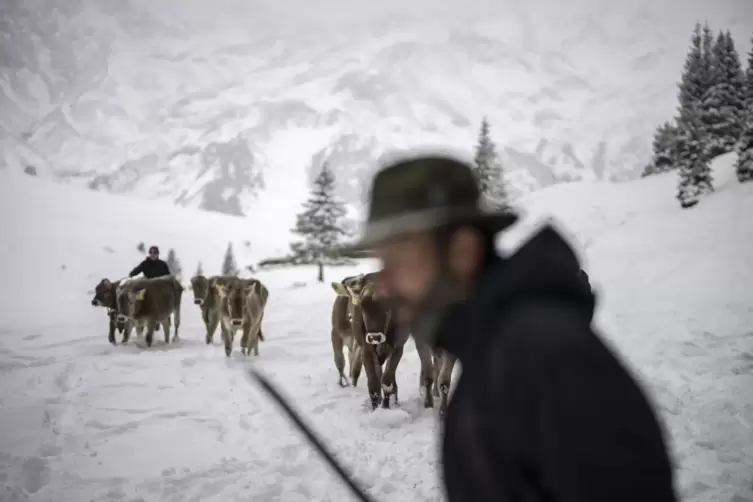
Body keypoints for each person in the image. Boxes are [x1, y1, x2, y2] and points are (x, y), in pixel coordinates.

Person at [344, 154, 677, 501]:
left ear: (463, 249)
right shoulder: (494, 350)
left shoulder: (549, 360)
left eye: (400, 259)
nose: (384, 284)